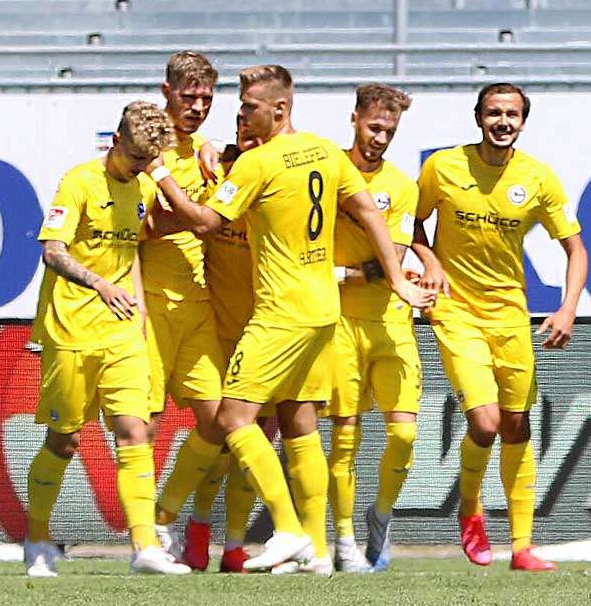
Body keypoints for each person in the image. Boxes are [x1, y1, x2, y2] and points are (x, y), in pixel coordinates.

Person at [147, 65, 434, 573]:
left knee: (232, 419)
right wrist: (396, 277)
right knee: (300, 426)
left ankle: (287, 528)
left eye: (250, 107)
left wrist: (160, 172)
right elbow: (368, 211)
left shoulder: (257, 165)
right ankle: (321, 553)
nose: (241, 114)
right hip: (324, 310)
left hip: (279, 311)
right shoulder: (325, 150)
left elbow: (204, 222)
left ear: (279, 109)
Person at [411, 82, 587, 572]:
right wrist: (428, 258)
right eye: (494, 113)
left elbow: (576, 248)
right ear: (478, 118)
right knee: (484, 422)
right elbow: (411, 222)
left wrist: (567, 307)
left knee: (516, 425)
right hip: (454, 309)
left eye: (511, 114)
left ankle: (523, 546)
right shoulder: (442, 167)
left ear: (523, 122)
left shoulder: (538, 179)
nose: (503, 121)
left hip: (510, 313)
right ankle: (469, 507)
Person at [23, 100, 190, 577]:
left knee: (135, 432)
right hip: (72, 330)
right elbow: (52, 253)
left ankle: (144, 549)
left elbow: (131, 253)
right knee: (65, 439)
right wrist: (100, 284)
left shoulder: (139, 188)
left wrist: (137, 309)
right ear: (115, 141)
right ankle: (36, 540)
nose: (141, 167)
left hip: (122, 333)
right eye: (136, 156)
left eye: (148, 160)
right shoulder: (78, 182)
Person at [136, 52, 231, 562]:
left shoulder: (206, 152)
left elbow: (202, 217)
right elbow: (144, 226)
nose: (197, 107)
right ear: (165, 91)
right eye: (188, 96)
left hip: (199, 302)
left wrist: (195, 212)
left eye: (206, 99)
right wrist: (200, 217)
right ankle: (144, 540)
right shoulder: (143, 150)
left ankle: (166, 514)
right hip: (150, 302)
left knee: (218, 420)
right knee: (144, 424)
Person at [328, 83, 423, 573]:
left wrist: (337, 274)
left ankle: (379, 515)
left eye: (389, 130)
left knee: (404, 435)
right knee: (345, 435)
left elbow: (396, 262)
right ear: (354, 120)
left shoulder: (402, 186)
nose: (380, 138)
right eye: (373, 127)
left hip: (390, 320)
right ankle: (343, 541)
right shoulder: (327, 172)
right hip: (339, 323)